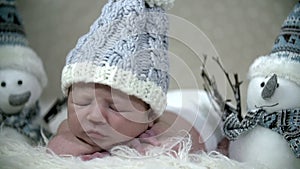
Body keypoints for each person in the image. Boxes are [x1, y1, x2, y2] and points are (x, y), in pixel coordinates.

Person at [48, 0, 226, 159]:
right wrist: (66, 143)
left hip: (198, 103)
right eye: (82, 102)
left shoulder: (165, 131)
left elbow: (182, 147)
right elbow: (57, 144)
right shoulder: (74, 127)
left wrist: (132, 151)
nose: (94, 116)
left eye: (114, 107)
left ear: (149, 117)